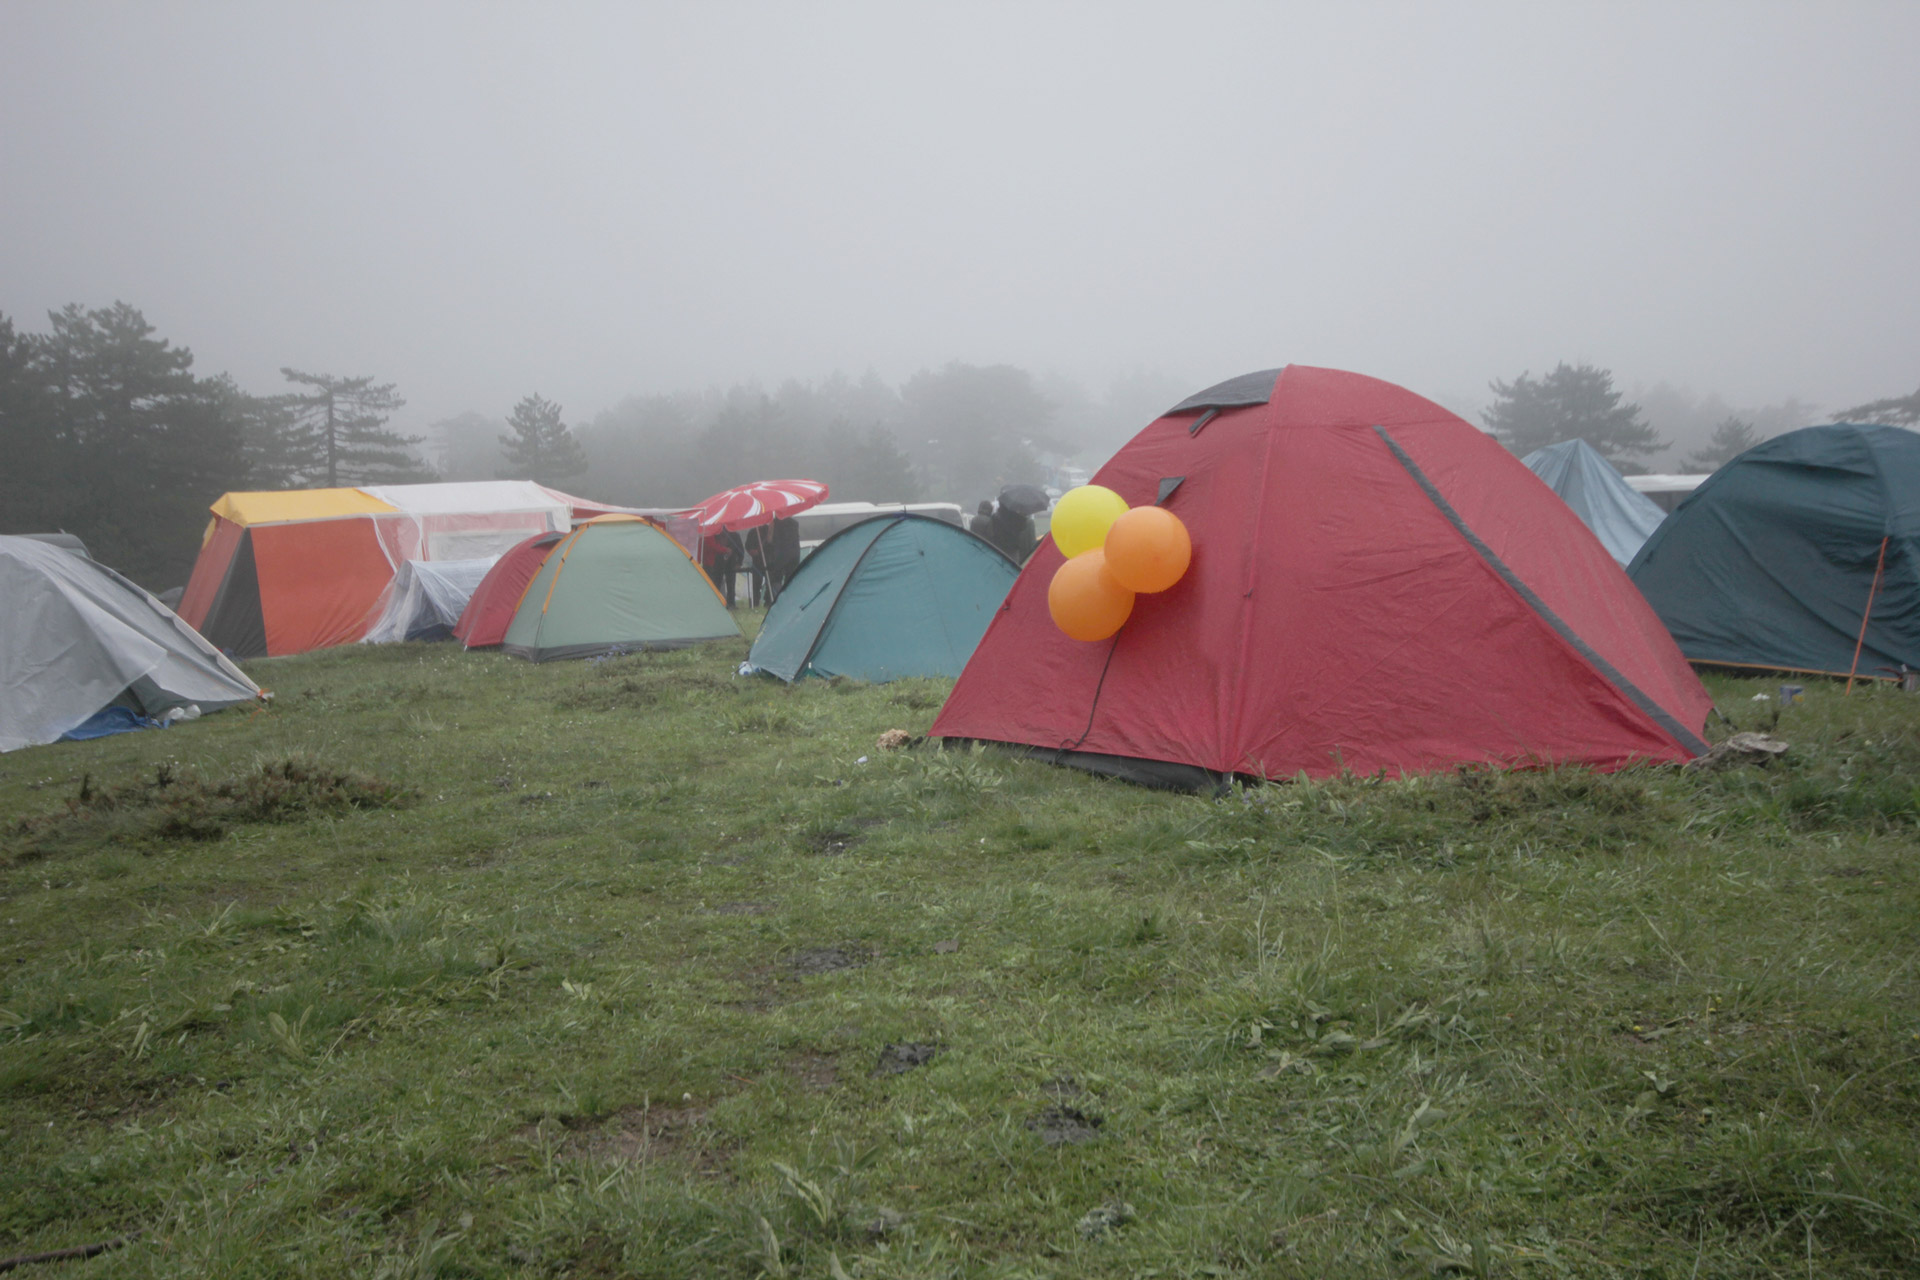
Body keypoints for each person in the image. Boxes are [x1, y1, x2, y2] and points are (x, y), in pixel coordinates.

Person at [702, 529, 744, 607]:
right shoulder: (715, 533)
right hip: (717, 563)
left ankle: (731, 603)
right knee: (717, 583)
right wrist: (724, 550)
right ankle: (716, 603)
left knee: (731, 583)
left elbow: (740, 549)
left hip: (731, 563)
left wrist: (739, 562)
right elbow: (713, 546)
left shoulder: (734, 535)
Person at [767, 516, 801, 598]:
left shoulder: (774, 522)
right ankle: (789, 598)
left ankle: (778, 598)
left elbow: (769, 539)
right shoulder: (795, 523)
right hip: (794, 555)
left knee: (776, 578)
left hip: (780, 555)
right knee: (790, 578)